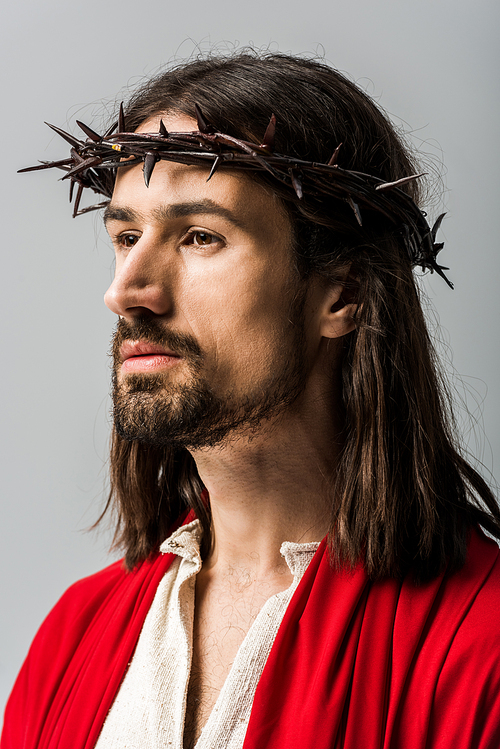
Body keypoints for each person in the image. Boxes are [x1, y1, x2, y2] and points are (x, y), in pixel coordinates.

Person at [3, 51, 500, 749]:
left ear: (344, 292)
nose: (126, 291)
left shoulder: (481, 649)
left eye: (200, 236)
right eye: (125, 237)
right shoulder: (71, 637)